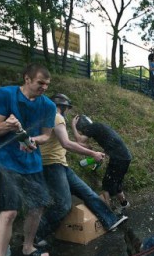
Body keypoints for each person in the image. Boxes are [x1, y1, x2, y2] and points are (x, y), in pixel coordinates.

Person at [0, 63, 56, 256]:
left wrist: (34, 140)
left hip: (32, 163)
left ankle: (28, 246)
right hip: (7, 162)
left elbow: (47, 135)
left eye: (47, 84)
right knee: (9, 212)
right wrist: (7, 125)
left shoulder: (49, 105)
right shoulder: (5, 94)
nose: (44, 88)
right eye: (40, 83)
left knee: (37, 208)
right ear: (27, 79)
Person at [35, 94, 128, 246]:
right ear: (63, 107)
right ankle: (36, 235)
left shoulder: (48, 116)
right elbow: (66, 143)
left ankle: (110, 221)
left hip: (60, 164)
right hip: (52, 166)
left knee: (88, 193)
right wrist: (92, 153)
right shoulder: (57, 117)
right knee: (63, 205)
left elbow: (65, 142)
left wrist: (86, 148)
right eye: (67, 108)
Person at [72, 114, 132, 212]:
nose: (81, 133)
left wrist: (73, 125)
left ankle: (108, 212)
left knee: (106, 186)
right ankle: (124, 204)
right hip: (125, 157)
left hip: (118, 158)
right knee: (116, 184)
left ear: (82, 126)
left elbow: (79, 140)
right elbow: (110, 141)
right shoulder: (97, 126)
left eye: (80, 131)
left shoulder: (91, 127)